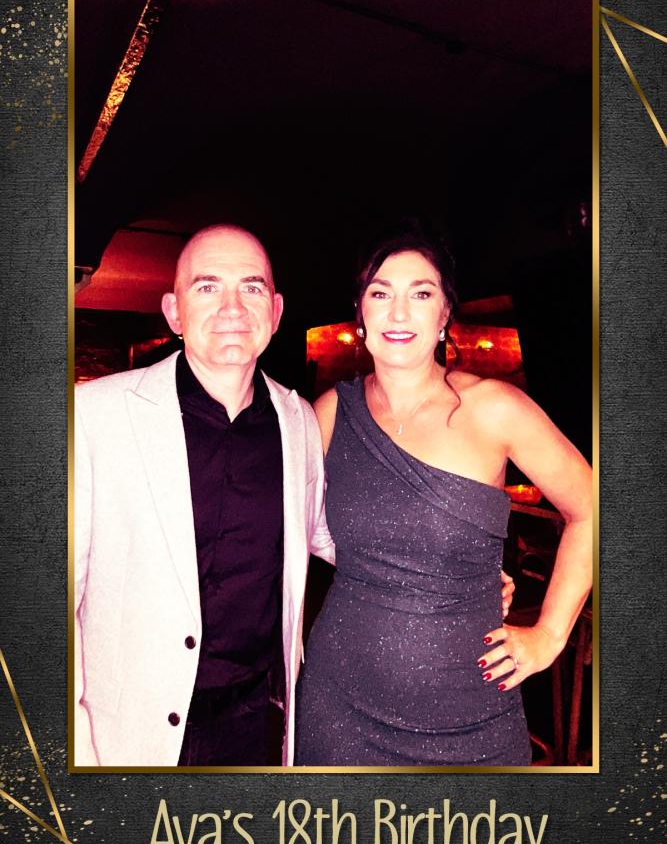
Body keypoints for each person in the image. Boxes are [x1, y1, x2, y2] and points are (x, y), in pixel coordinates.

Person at [295, 224, 592, 766]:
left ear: (444, 314)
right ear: (360, 312)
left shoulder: (494, 408)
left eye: (421, 293)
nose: (399, 312)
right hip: (338, 704)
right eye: (381, 293)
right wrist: (420, 572)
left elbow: (592, 510)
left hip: (471, 711)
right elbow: (295, 527)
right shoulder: (330, 413)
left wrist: (550, 634)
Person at [74, 224, 334, 767]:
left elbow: (327, 536)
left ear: (276, 312)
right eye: (208, 286)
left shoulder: (299, 420)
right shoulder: (95, 415)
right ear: (174, 312)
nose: (232, 307)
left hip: (258, 727)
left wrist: (457, 572)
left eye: (252, 287)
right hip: (128, 740)